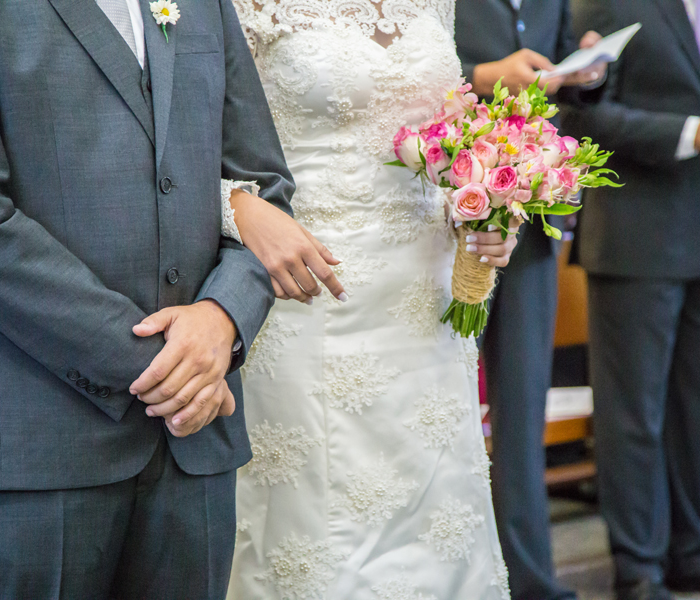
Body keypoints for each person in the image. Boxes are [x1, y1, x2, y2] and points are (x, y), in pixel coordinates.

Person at [0, 0, 298, 597]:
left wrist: (224, 315)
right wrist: (170, 366)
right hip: (38, 443)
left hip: (194, 453)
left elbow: (261, 191)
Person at [217, 1, 521, 597]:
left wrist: (479, 209)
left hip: (425, 304)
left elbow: (443, 135)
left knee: (438, 519)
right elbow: (186, 145)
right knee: (320, 528)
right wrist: (237, 209)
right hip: (305, 291)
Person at [560, 0, 700, 598]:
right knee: (634, 413)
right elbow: (580, 113)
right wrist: (690, 133)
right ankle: (638, 565)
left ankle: (695, 551)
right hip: (638, 235)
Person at [453, 2, 604, 599]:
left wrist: (584, 73)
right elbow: (398, 70)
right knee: (445, 399)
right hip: (447, 208)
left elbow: (559, 70)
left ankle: (531, 581)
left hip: (533, 214)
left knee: (521, 410)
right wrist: (484, 75)